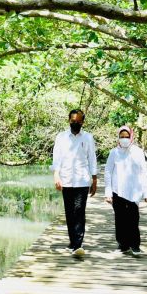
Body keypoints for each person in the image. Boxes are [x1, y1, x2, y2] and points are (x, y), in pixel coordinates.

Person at [52, 109, 98, 257]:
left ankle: (78, 244)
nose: (75, 124)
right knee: (69, 212)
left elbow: (92, 158)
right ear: (69, 121)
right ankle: (73, 241)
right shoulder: (61, 137)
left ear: (82, 122)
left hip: (82, 180)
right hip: (66, 179)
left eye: (78, 121)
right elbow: (57, 158)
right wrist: (56, 176)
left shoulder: (88, 138)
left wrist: (94, 179)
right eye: (73, 121)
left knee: (79, 210)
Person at [104, 125, 147, 256]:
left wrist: (146, 193)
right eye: (121, 136)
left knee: (133, 218)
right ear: (118, 138)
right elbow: (108, 172)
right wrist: (108, 193)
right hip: (117, 190)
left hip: (133, 190)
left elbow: (143, 172)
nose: (124, 139)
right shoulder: (114, 152)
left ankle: (135, 245)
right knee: (120, 219)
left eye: (126, 136)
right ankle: (122, 245)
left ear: (131, 137)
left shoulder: (137, 152)